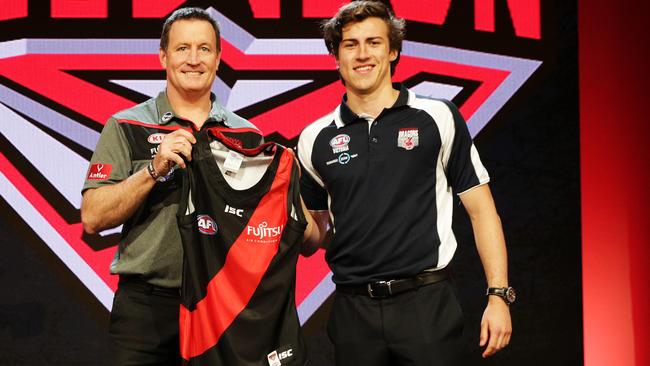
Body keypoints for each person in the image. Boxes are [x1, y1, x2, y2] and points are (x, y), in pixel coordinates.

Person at [297, 1, 513, 365]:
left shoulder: (437, 116)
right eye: (350, 44)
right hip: (353, 311)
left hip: (426, 305)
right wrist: (277, 211)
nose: (362, 54)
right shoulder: (314, 138)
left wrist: (499, 296)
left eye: (374, 42)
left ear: (393, 49)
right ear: (336, 55)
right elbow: (314, 234)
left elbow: (483, 211)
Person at [80, 7, 261, 364]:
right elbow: (93, 217)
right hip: (146, 310)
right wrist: (154, 168)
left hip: (220, 309)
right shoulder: (126, 125)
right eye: (182, 49)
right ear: (163, 56)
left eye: (204, 49)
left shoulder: (246, 135)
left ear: (219, 58)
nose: (193, 60)